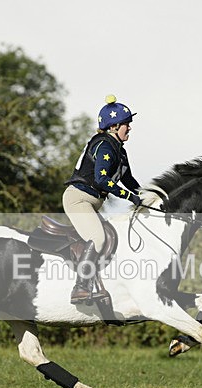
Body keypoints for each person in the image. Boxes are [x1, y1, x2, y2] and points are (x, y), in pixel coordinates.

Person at [63, 94, 142, 304]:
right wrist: (129, 197)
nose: (130, 128)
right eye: (126, 124)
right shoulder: (104, 146)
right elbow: (101, 180)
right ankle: (80, 288)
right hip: (79, 199)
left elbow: (129, 179)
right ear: (114, 126)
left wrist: (147, 196)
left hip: (92, 202)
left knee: (112, 237)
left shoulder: (119, 151)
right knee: (98, 239)